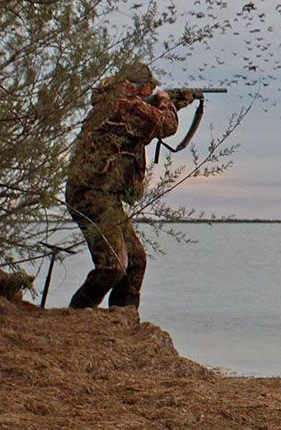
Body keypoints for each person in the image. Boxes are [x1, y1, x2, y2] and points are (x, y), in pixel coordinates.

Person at [64, 63, 196, 309]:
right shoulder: (125, 104)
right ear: (142, 87)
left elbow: (147, 118)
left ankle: (123, 320)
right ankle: (77, 313)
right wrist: (166, 100)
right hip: (91, 192)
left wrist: (173, 101)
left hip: (103, 194)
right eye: (151, 87)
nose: (154, 90)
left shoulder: (119, 100)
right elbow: (166, 124)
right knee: (113, 265)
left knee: (135, 261)